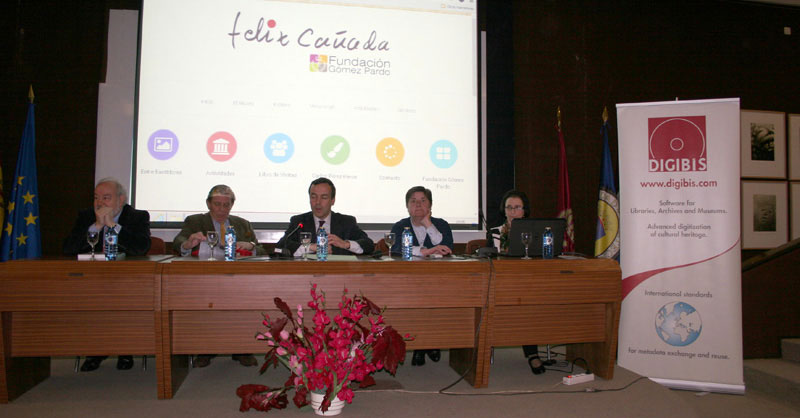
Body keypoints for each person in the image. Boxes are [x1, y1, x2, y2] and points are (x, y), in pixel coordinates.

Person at [63, 177, 151, 372]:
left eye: (106, 198)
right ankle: (96, 350)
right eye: (96, 197)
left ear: (121, 200)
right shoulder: (86, 216)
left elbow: (140, 248)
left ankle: (124, 350)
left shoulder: (137, 216)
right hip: (92, 280)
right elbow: (68, 248)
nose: (100, 203)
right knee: (90, 301)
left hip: (126, 280)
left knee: (122, 300)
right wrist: (95, 227)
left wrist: (112, 225)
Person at [172, 184, 262, 368]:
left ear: (231, 205)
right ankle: (206, 349)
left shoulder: (242, 224)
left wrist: (251, 247)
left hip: (238, 280)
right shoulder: (195, 221)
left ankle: (242, 349)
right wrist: (188, 244)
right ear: (208, 204)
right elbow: (178, 241)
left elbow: (260, 248)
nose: (221, 209)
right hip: (206, 279)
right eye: (217, 204)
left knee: (246, 302)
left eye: (226, 205)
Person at [390, 186, 453, 366]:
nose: (418, 205)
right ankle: (421, 346)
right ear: (407, 206)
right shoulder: (400, 226)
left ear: (430, 205)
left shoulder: (441, 225)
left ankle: (430, 343)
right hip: (408, 281)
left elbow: (447, 248)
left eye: (423, 200)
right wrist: (427, 251)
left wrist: (428, 225)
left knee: (436, 303)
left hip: (438, 281)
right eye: (413, 201)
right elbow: (396, 250)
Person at [495, 189, 544, 375]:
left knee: (528, 305)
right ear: (504, 210)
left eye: (517, 207)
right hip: (501, 283)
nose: (513, 211)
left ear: (525, 210)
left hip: (527, 283)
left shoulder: (535, 233)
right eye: (509, 207)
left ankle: (532, 354)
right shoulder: (495, 232)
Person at [276, 177, 374, 257]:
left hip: (339, 274)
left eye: (324, 197)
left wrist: (345, 244)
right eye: (313, 197)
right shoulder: (299, 221)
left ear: (332, 200)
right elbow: (280, 246)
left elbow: (368, 245)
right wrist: (311, 247)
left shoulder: (346, 222)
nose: (318, 202)